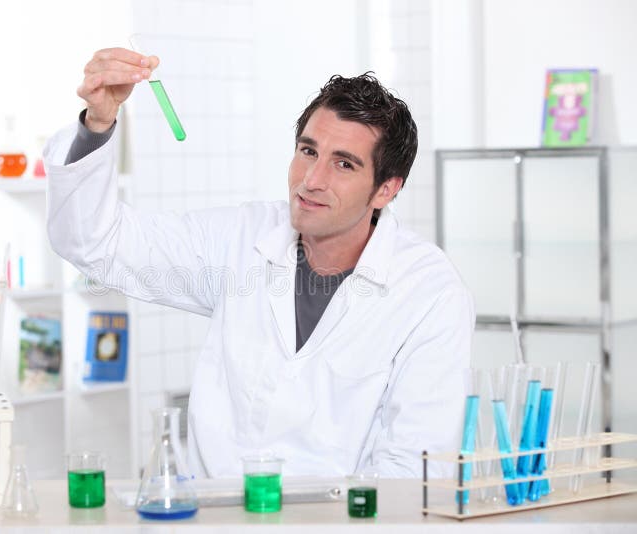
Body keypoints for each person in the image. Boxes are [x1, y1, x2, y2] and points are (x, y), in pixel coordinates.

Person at [45, 48, 475, 478]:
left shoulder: (429, 292)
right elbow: (98, 243)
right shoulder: (242, 239)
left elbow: (416, 469)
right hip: (218, 518)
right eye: (308, 151)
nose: (312, 180)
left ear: (386, 189)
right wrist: (97, 124)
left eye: (343, 164)